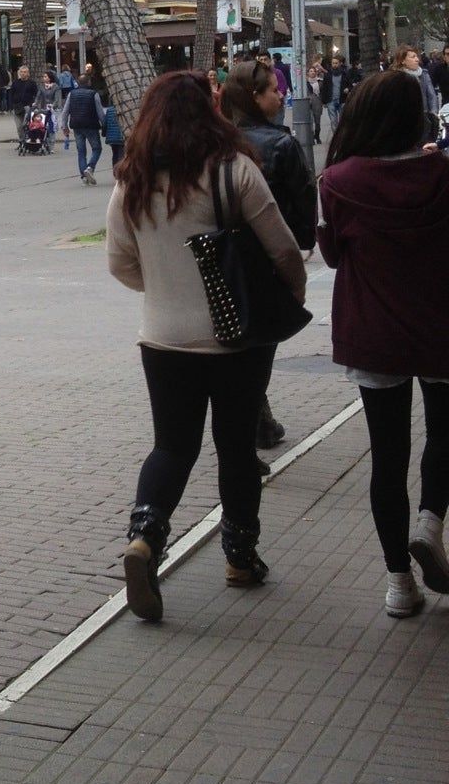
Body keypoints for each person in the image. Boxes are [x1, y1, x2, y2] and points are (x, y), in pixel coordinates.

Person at [107, 72, 307, 622]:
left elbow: (120, 263)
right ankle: (240, 558)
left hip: (162, 338)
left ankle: (144, 537)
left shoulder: (132, 180)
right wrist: (291, 295)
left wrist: (166, 292)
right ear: (210, 112)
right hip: (237, 338)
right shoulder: (234, 171)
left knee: (172, 446)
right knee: (236, 447)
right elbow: (284, 249)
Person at [319, 70, 449, 618]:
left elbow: (329, 254)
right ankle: (431, 522)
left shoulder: (338, 182)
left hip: (373, 332)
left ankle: (399, 583)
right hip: (442, 326)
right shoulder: (443, 173)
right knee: (444, 432)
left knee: (386, 455)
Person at [222, 59, 318, 457]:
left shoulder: (219, 143)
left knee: (238, 350)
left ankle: (257, 421)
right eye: (273, 91)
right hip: (268, 260)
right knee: (259, 350)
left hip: (224, 258)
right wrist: (301, 247)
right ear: (255, 98)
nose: (280, 95)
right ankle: (249, 432)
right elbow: (302, 204)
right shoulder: (281, 144)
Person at [62, 75, 107, 184]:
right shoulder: (93, 94)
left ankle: (84, 176)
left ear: (78, 82)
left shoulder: (71, 94)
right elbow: (100, 112)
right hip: (91, 125)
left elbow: (65, 111)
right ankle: (90, 168)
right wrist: (105, 124)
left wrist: (64, 126)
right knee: (97, 148)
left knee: (81, 152)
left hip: (76, 125)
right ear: (89, 82)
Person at [393, 46, 439, 132]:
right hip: (405, 122)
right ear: (403, 61)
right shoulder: (396, 77)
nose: (417, 59)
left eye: (416, 56)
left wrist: (433, 114)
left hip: (425, 120)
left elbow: (432, 96)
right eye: (412, 57)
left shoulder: (424, 74)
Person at [321, 55, 360, 133]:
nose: (334, 65)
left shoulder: (344, 74)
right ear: (331, 64)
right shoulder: (328, 75)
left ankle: (341, 136)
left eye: (336, 63)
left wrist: (348, 89)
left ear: (339, 64)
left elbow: (350, 85)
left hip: (342, 100)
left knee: (343, 120)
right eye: (333, 63)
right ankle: (335, 137)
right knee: (333, 121)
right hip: (331, 100)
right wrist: (324, 101)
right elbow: (324, 88)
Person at [8, 66, 38, 144]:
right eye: (21, 72)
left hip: (27, 107)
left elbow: (36, 94)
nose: (23, 74)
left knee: (26, 125)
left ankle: (27, 140)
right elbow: (11, 94)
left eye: (25, 72)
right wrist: (11, 106)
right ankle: (22, 140)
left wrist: (34, 104)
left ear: (28, 73)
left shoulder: (32, 83)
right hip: (17, 107)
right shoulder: (15, 83)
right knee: (19, 126)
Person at [33, 71, 59, 145]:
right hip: (43, 108)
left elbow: (57, 99)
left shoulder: (55, 87)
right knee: (42, 125)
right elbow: (38, 97)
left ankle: (51, 144)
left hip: (52, 110)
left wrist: (53, 105)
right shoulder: (41, 86)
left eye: (45, 76)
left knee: (51, 127)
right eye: (43, 76)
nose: (43, 78)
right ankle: (44, 142)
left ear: (50, 78)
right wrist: (35, 103)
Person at [306, 61, 325, 144]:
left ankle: (317, 136)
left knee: (317, 122)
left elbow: (318, 90)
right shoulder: (305, 82)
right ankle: (311, 137)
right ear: (308, 73)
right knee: (309, 121)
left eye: (314, 71)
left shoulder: (320, 81)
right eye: (311, 71)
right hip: (307, 103)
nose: (312, 72)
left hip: (317, 102)